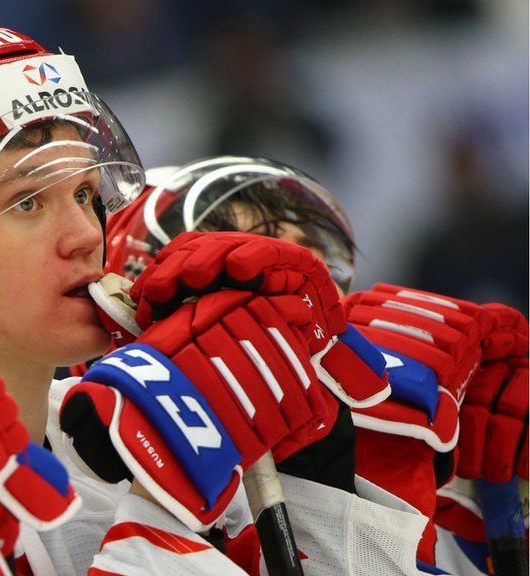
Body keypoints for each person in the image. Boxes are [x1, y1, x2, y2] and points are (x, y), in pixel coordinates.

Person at [0, 28, 392, 575]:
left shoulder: (111, 440)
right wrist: (168, 503)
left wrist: (319, 475)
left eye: (85, 193)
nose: (88, 234)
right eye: (28, 202)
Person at [103, 156, 527, 575]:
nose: (301, 281)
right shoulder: (76, 461)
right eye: (248, 260)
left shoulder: (444, 468)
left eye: (312, 258)